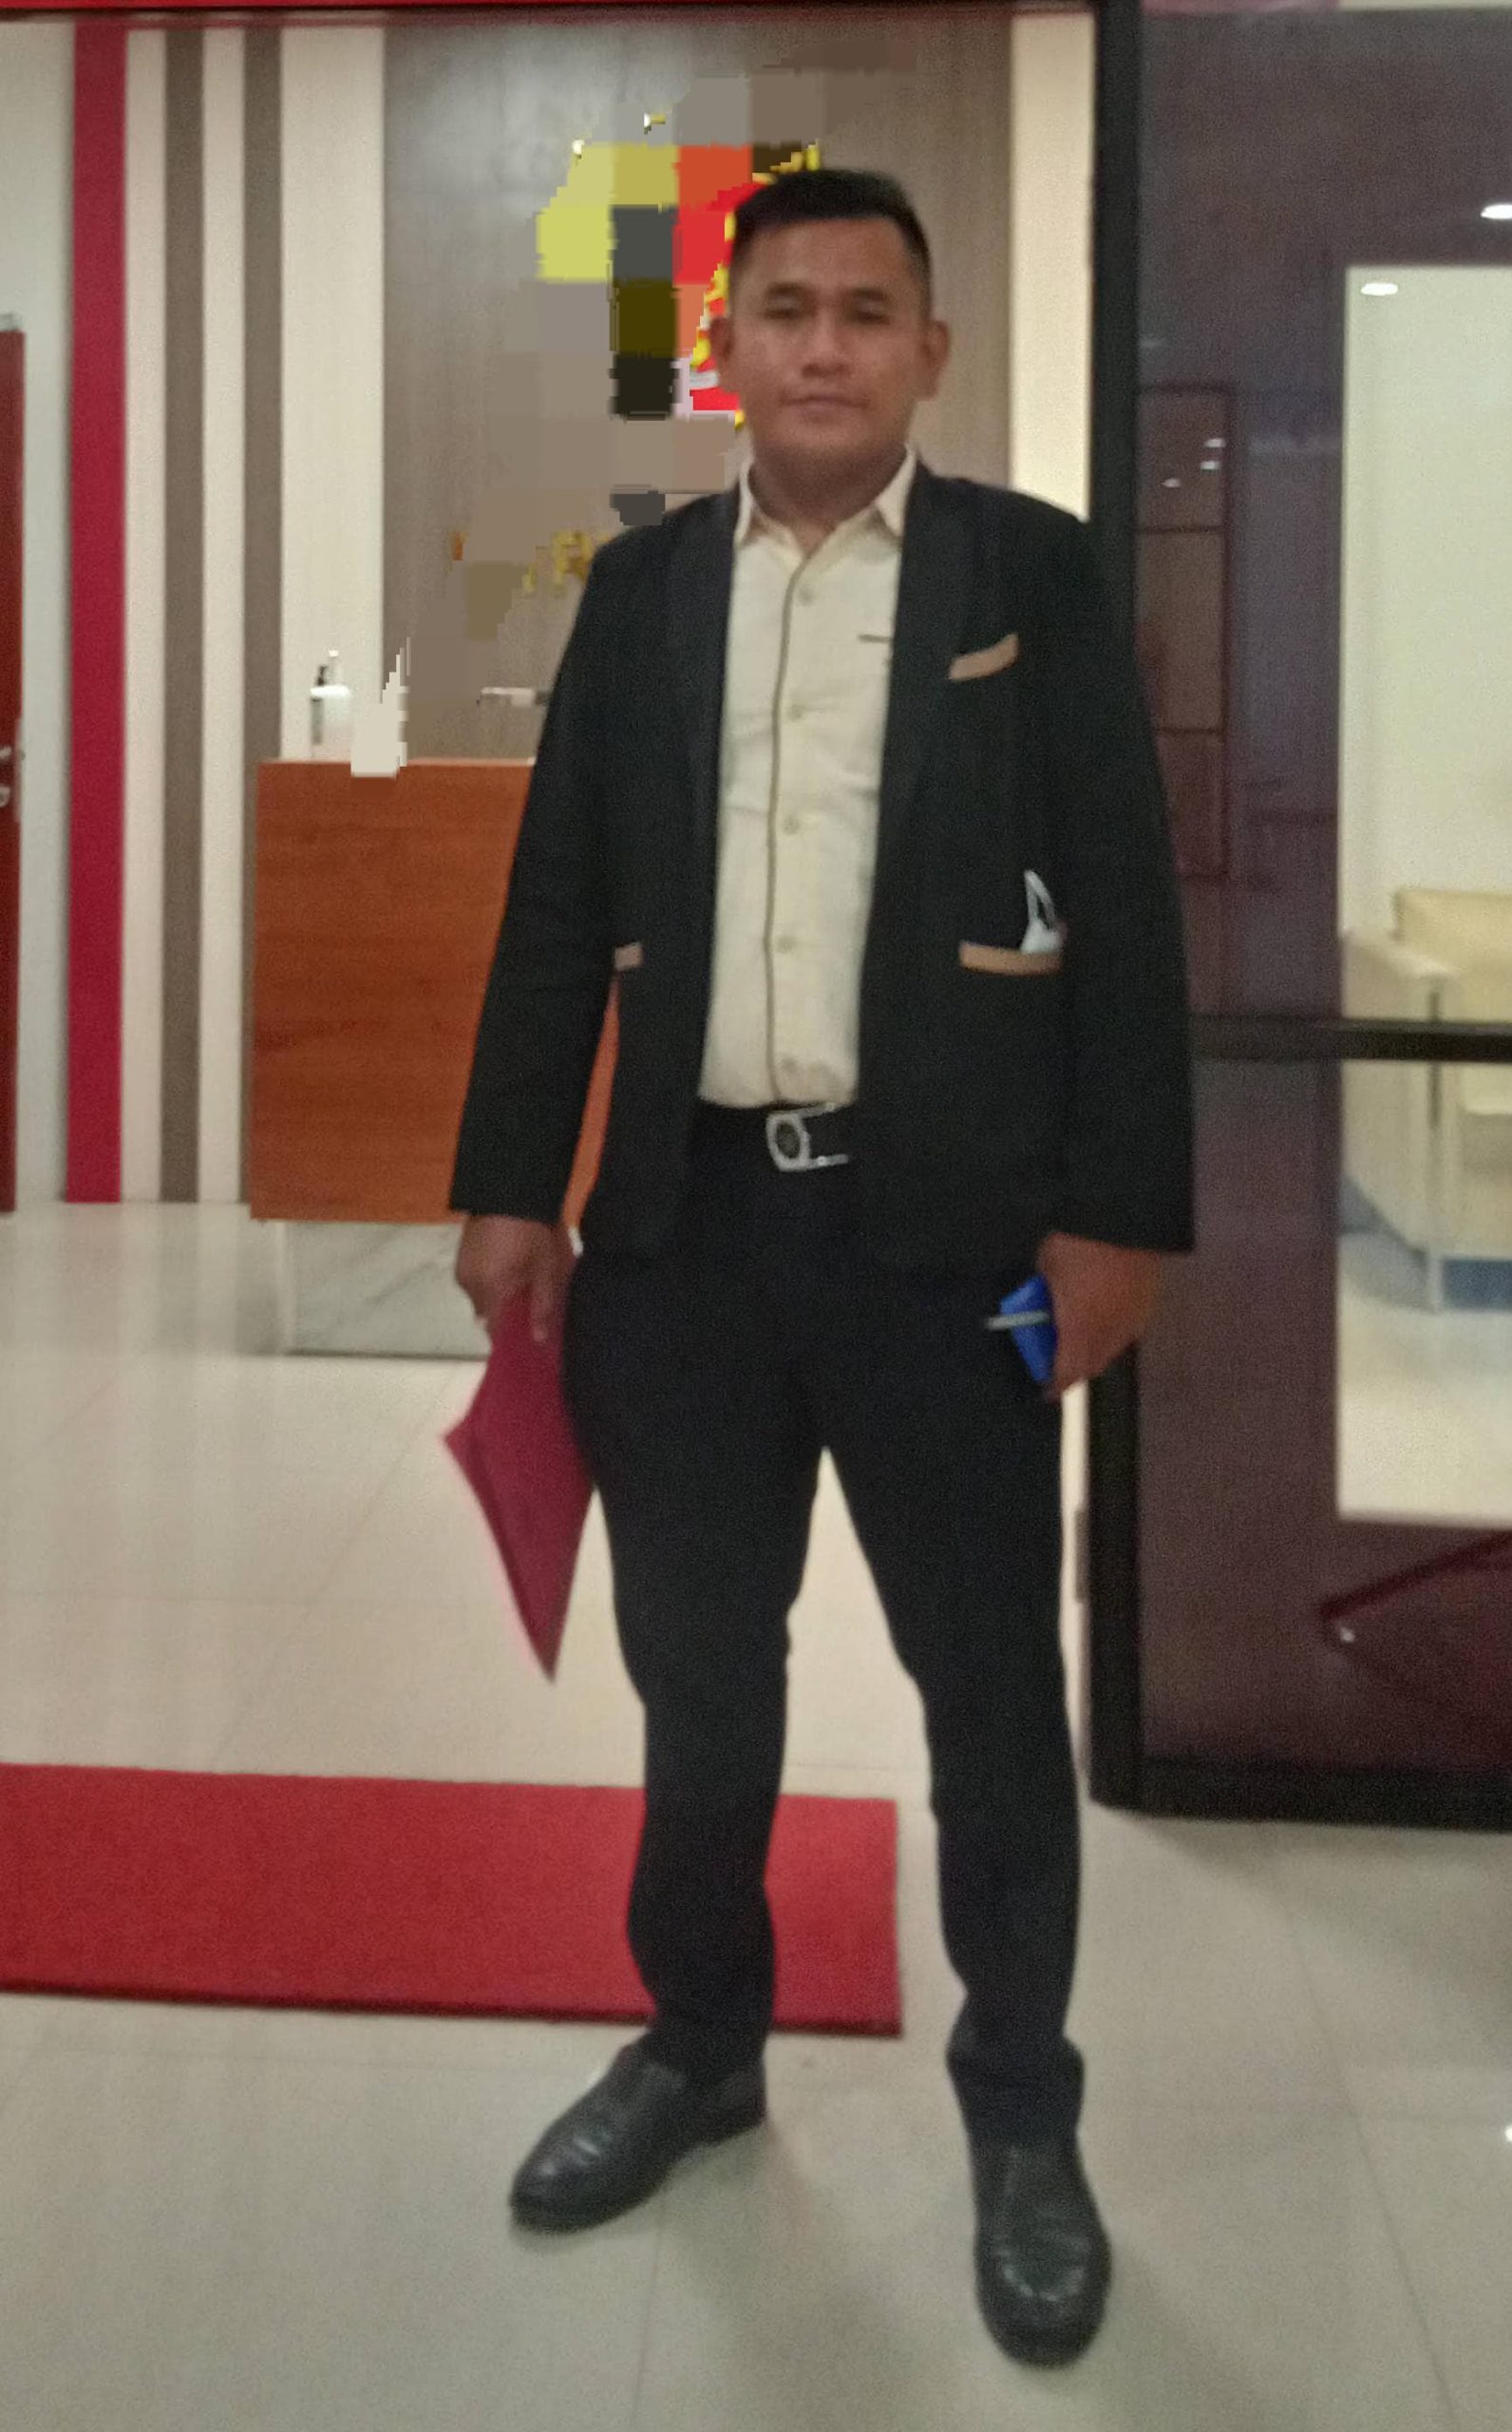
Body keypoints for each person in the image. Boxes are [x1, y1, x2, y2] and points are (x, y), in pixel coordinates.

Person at [451, 166, 1192, 2371]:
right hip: (683, 1234)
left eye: (869, 310)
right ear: (729, 350)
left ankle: (1023, 2111)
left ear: (927, 352)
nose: (825, 346)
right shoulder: (644, 591)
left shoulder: (1026, 575)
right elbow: (555, 899)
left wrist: (1121, 1212)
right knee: (700, 1679)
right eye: (785, 308)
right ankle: (699, 2039)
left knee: (989, 1697)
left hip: (944, 1242)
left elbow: (1125, 902)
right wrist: (512, 1181)